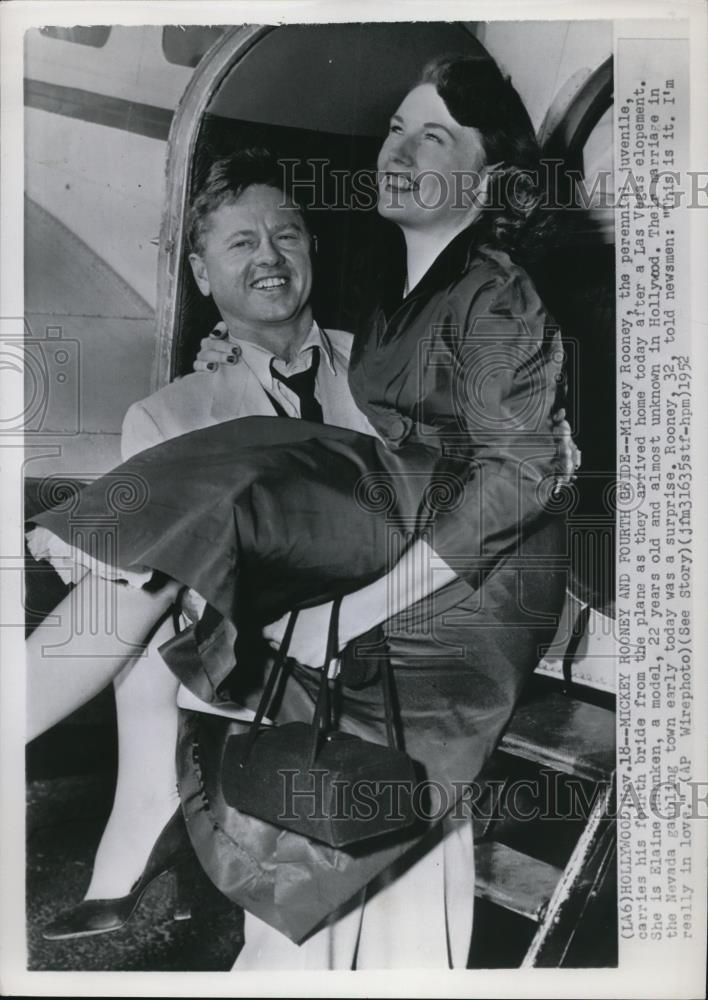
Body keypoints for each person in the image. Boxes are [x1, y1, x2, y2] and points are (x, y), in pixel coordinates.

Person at [27, 55, 572, 965]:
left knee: (227, 485)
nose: (398, 145)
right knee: (210, 496)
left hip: (447, 586)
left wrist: (356, 607)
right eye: (394, 128)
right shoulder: (396, 312)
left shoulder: (484, 291)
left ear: (492, 177)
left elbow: (514, 469)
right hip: (351, 582)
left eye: (432, 133)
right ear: (202, 274)